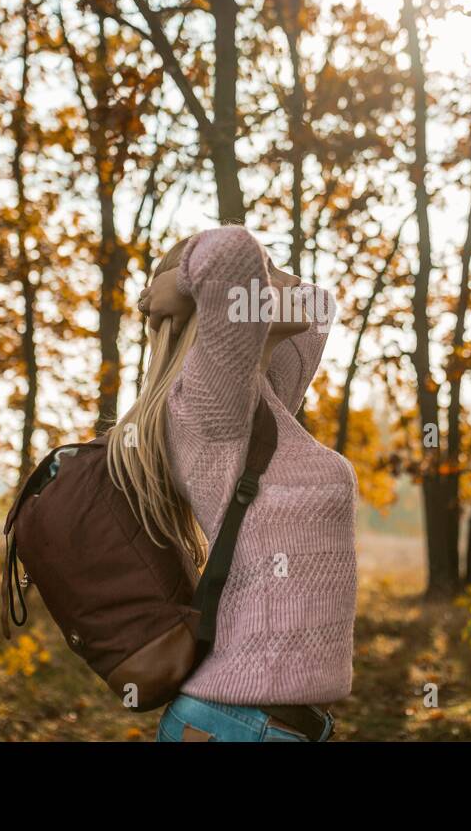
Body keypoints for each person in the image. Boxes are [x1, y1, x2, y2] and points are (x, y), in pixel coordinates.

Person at [108, 224, 357, 742]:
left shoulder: (259, 402)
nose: (284, 283)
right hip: (236, 723)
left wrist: (230, 288)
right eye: (268, 277)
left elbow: (320, 307)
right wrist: (176, 284)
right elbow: (232, 252)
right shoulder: (207, 401)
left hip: (262, 724)